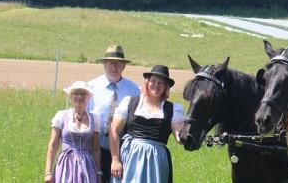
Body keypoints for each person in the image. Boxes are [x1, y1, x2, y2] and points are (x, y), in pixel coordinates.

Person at [109, 65, 184, 183]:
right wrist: (115, 160)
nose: (156, 85)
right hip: (130, 157)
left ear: (166, 87)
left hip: (156, 161)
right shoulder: (130, 102)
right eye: (153, 81)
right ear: (147, 82)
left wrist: (194, 135)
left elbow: (179, 136)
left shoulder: (173, 109)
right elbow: (114, 130)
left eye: (161, 82)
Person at [87, 45, 139, 182]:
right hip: (95, 148)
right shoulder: (91, 87)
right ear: (104, 64)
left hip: (123, 151)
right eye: (110, 63)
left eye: (118, 63)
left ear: (124, 66)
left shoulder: (134, 90)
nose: (114, 67)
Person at [45, 81, 102, 183]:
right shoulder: (61, 116)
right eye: (76, 93)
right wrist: (48, 172)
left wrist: (98, 172)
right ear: (71, 96)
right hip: (66, 164)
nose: (79, 97)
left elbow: (96, 148)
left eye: (83, 94)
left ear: (88, 97)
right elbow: (53, 145)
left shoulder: (95, 119)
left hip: (87, 165)